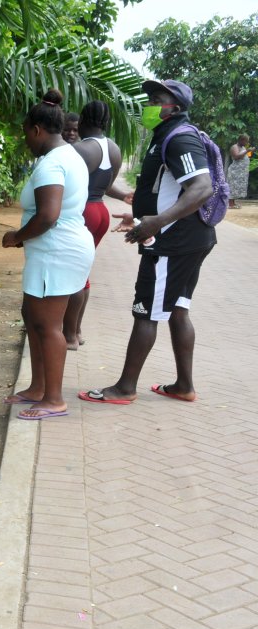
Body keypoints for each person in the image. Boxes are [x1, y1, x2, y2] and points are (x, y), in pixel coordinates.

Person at [80, 79, 215, 405]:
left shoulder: (180, 139)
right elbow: (168, 192)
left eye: (157, 100)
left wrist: (156, 222)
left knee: (147, 313)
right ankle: (184, 386)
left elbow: (201, 188)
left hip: (172, 244)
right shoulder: (167, 136)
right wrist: (142, 218)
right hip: (188, 238)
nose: (149, 106)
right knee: (178, 310)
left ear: (176, 108)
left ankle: (125, 388)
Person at [2, 89, 93, 420]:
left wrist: (16, 237)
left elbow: (47, 216)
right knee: (33, 316)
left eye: (26, 132)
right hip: (56, 250)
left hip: (56, 251)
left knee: (48, 325)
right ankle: (38, 388)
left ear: (37, 130)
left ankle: (53, 398)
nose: (25, 139)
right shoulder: (67, 155)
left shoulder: (51, 165)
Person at [62, 100, 131, 350]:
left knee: (73, 275)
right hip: (100, 211)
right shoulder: (113, 148)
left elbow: (67, 187)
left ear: (83, 120)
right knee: (83, 273)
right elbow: (106, 184)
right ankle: (76, 330)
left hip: (82, 212)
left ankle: (69, 336)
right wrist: (123, 196)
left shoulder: (80, 150)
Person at [227, 134, 250, 208]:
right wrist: (247, 150)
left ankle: (233, 203)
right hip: (235, 171)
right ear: (241, 140)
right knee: (232, 186)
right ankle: (230, 204)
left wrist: (249, 151)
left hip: (240, 172)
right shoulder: (234, 147)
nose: (246, 143)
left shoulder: (242, 147)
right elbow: (236, 156)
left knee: (236, 187)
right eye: (246, 141)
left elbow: (244, 156)